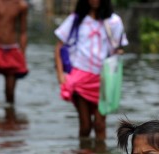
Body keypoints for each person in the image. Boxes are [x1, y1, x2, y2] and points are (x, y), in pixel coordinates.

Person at [54, 0, 127, 140]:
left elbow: (117, 48)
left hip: (105, 78)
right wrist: (60, 75)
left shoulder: (114, 21)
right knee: (85, 125)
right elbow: (59, 46)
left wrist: (119, 53)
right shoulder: (76, 19)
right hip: (80, 76)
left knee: (100, 124)